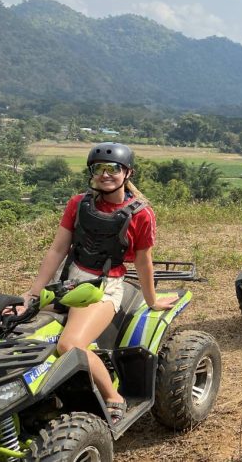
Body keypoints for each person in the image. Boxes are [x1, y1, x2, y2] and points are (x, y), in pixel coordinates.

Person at [19, 142, 176, 424]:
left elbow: (143, 261)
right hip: (66, 281)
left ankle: (114, 397)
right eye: (99, 168)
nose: (105, 174)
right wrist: (33, 293)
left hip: (103, 288)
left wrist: (152, 301)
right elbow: (57, 250)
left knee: (70, 345)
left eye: (113, 168)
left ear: (128, 173)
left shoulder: (141, 213)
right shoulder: (79, 204)